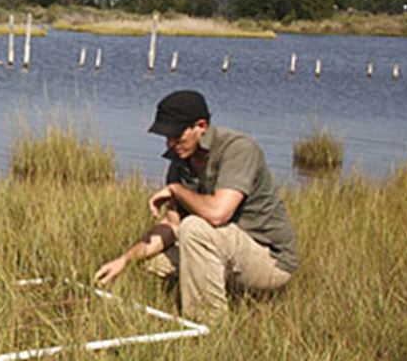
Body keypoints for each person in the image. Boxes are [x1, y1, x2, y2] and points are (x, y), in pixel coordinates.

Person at [93, 90, 297, 321]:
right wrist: (124, 260)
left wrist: (176, 190)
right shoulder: (180, 160)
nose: (170, 144)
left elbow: (218, 214)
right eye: (166, 137)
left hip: (269, 261)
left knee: (195, 229)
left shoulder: (238, 149)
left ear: (201, 126)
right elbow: (171, 226)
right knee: (148, 266)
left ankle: (208, 327)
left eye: (176, 136)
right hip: (224, 247)